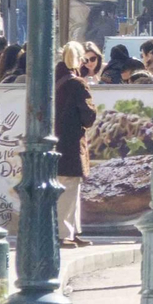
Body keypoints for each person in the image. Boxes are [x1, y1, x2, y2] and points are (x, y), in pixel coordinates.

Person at [54, 42, 96, 248]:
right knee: (70, 189)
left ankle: (72, 230)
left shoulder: (53, 80)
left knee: (68, 190)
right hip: (71, 145)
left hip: (53, 144)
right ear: (79, 60)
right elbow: (88, 117)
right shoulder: (78, 84)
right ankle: (65, 233)